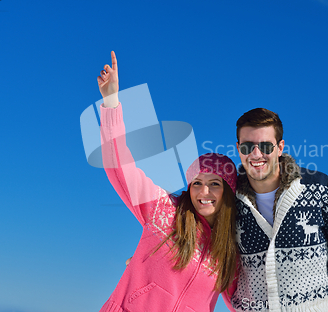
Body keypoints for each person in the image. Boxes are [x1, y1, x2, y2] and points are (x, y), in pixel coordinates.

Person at [96, 51, 239, 312]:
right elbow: (119, 166)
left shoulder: (228, 252)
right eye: (196, 182)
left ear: (229, 193)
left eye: (215, 184)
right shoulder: (164, 210)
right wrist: (112, 103)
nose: (203, 191)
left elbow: (244, 304)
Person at [230, 108, 328, 312]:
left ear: (280, 147)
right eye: (247, 147)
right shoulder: (229, 200)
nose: (256, 154)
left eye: (265, 146)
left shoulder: (320, 188)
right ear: (238, 148)